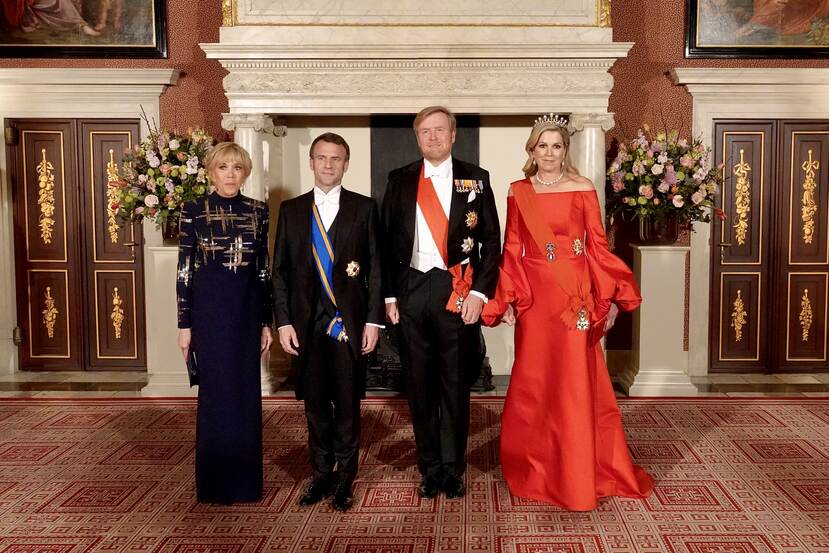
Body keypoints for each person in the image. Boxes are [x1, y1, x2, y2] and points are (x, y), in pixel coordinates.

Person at [481, 115, 654, 511]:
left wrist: (606, 299)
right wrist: (507, 299)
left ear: (565, 150)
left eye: (556, 146)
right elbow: (512, 250)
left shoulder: (582, 187)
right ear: (531, 150)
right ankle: (537, 467)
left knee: (575, 378)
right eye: (542, 145)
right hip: (537, 299)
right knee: (536, 378)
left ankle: (577, 471)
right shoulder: (517, 191)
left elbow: (597, 246)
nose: (549, 153)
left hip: (574, 292)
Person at [382, 106, 501, 499]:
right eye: (424, 132)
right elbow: (385, 245)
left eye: (439, 130)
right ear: (417, 137)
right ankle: (429, 467)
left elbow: (491, 243)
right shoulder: (398, 180)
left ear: (453, 135)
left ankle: (452, 468)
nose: (432, 138)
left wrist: (481, 294)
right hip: (412, 290)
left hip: (457, 289)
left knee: (454, 385)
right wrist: (389, 294)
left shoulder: (475, 178)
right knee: (419, 385)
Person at [272, 132, 383, 512]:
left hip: (347, 325)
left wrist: (373, 322)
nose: (328, 165)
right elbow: (280, 273)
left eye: (336, 158)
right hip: (305, 328)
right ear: (311, 163)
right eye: (321, 158)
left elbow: (376, 270)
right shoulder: (291, 210)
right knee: (315, 406)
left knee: (348, 405)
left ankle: (345, 478)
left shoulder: (365, 208)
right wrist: (283, 322)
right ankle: (321, 474)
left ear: (346, 164)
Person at [176, 142, 274, 504]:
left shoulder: (259, 211)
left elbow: (263, 270)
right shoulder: (194, 210)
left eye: (236, 167)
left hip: (247, 313)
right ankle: (215, 484)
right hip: (209, 314)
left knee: (245, 395)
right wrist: (184, 324)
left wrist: (267, 321)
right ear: (211, 172)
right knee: (216, 396)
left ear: (245, 172)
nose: (230, 174)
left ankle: (246, 485)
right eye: (223, 167)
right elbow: (184, 270)